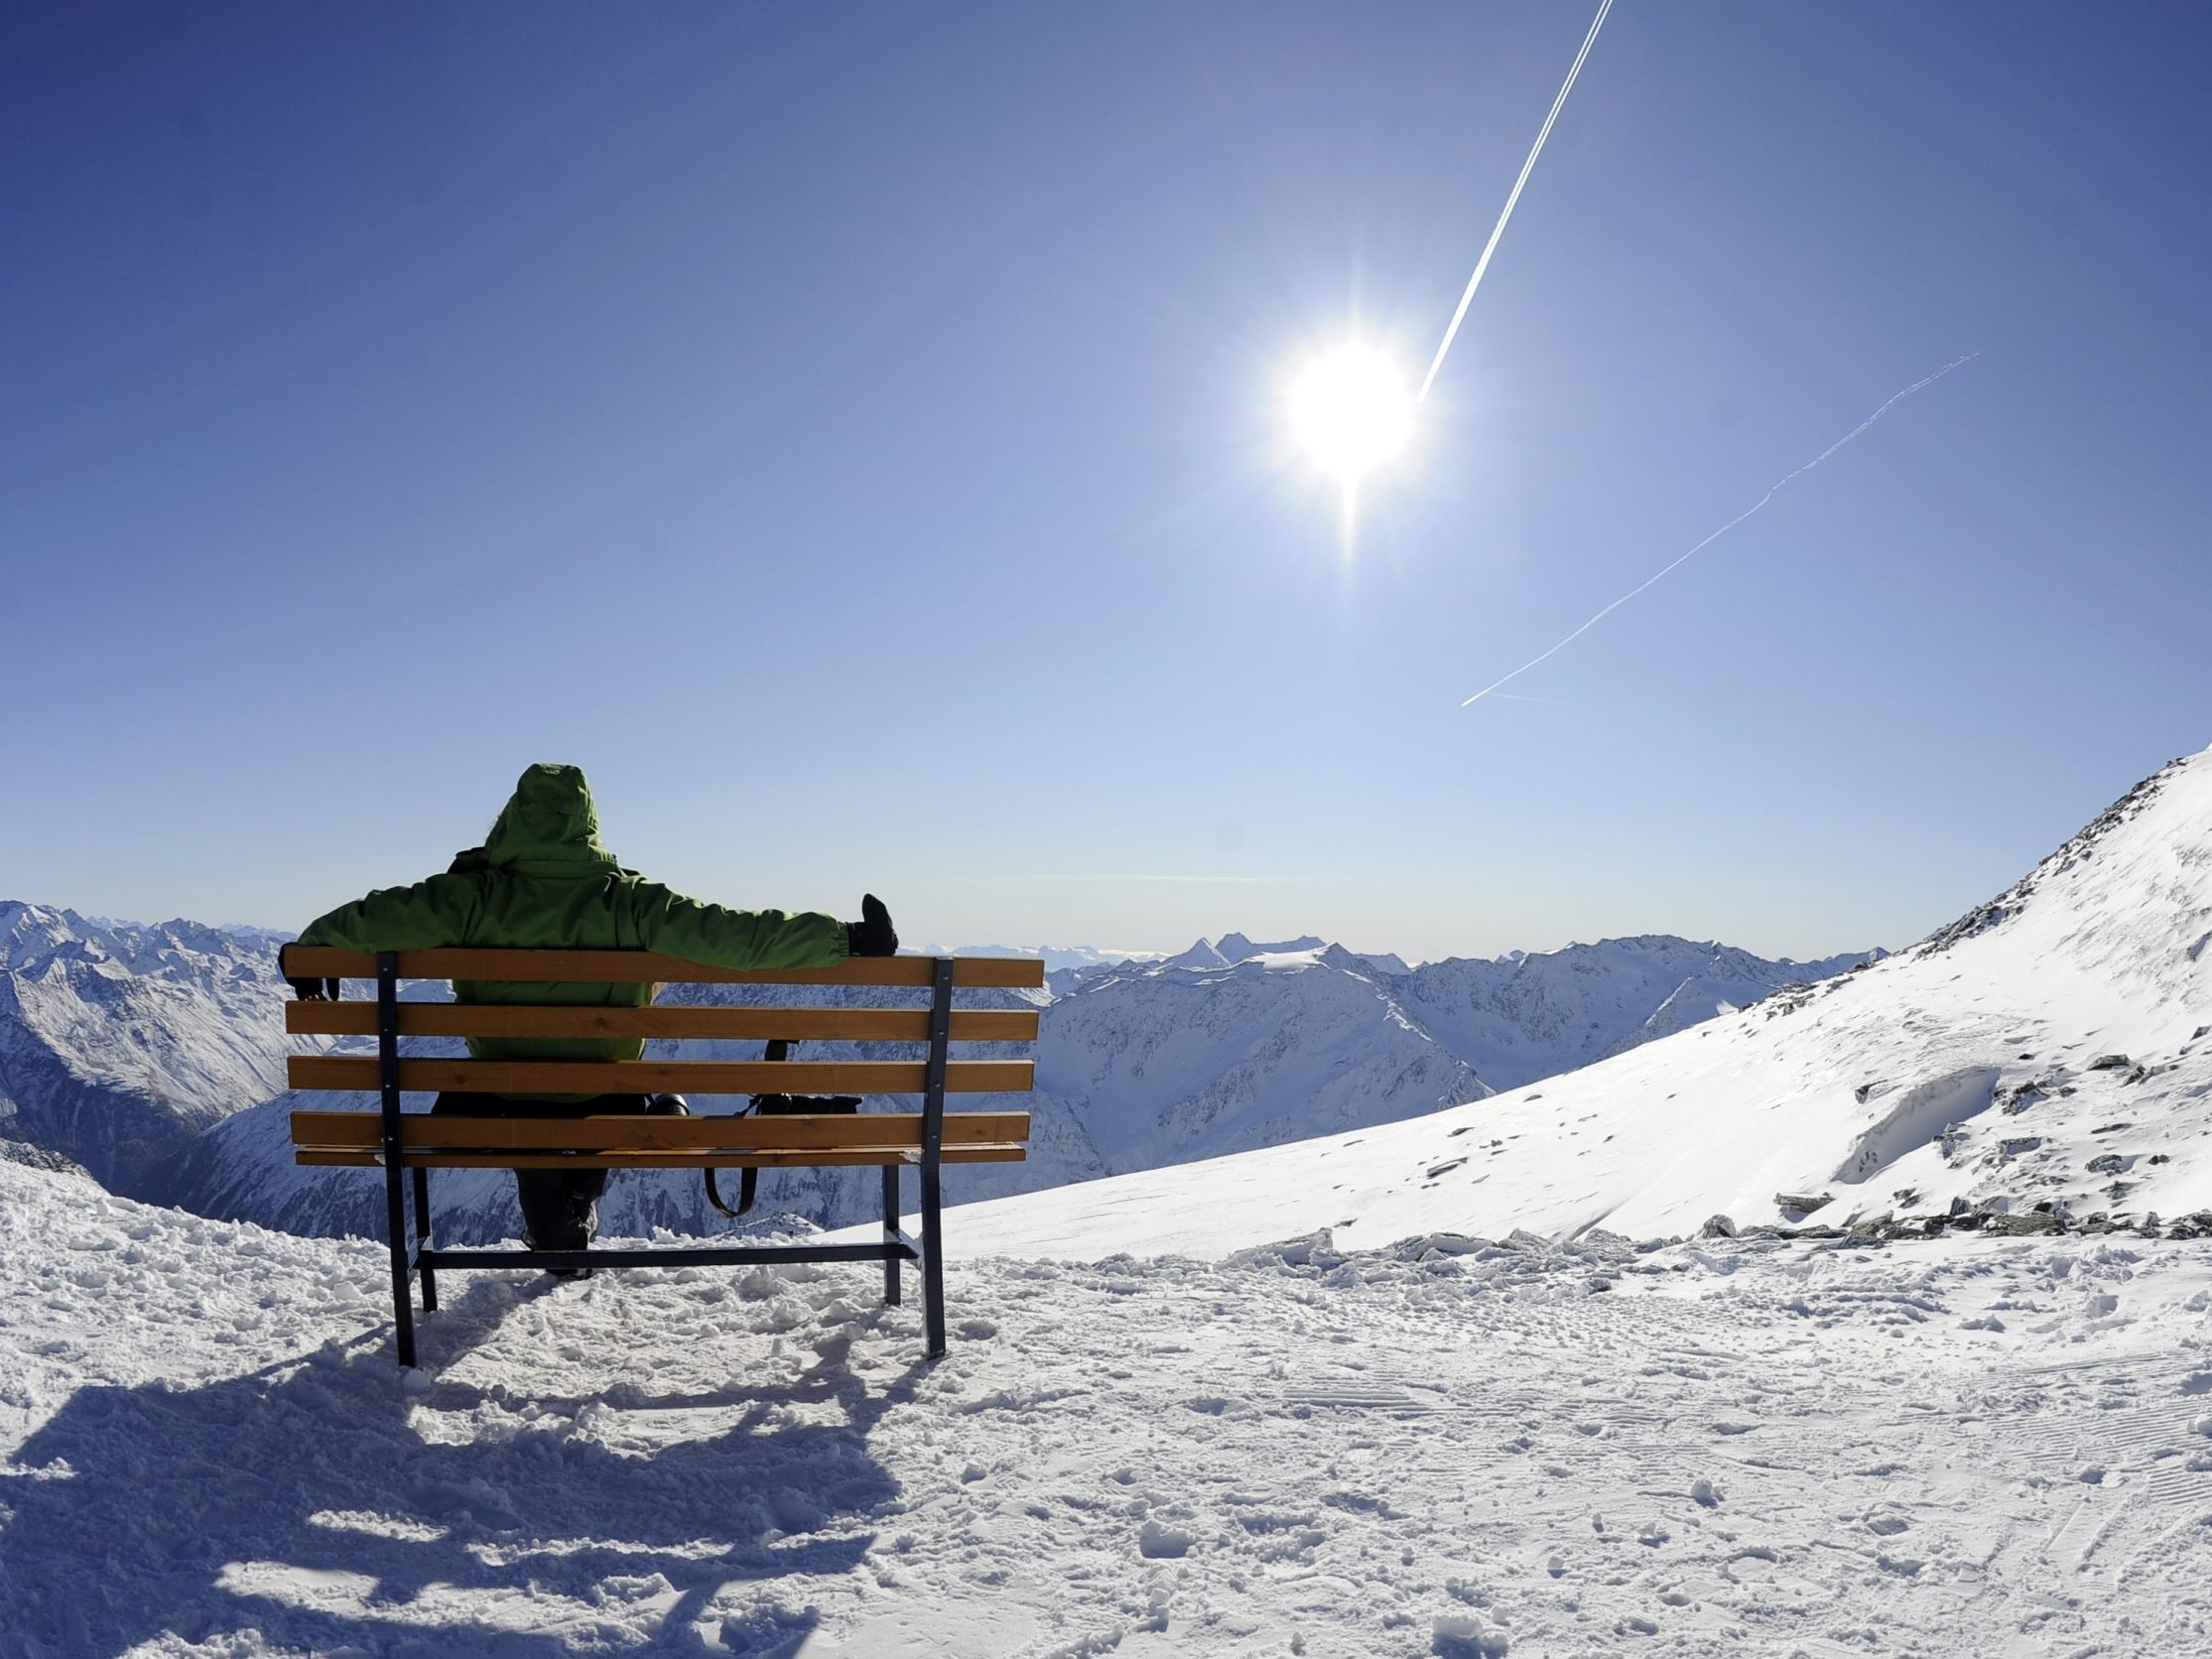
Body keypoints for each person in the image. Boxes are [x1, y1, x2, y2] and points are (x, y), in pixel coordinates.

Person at [287, 762, 897, 1271]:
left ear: (511, 820)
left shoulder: (471, 897)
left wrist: (313, 949)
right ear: (589, 825)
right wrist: (844, 939)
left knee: (525, 1106)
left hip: (503, 1092)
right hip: (606, 1092)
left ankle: (561, 1236)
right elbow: (738, 936)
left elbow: (375, 916)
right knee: (624, 1097)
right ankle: (575, 1213)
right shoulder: (628, 900)